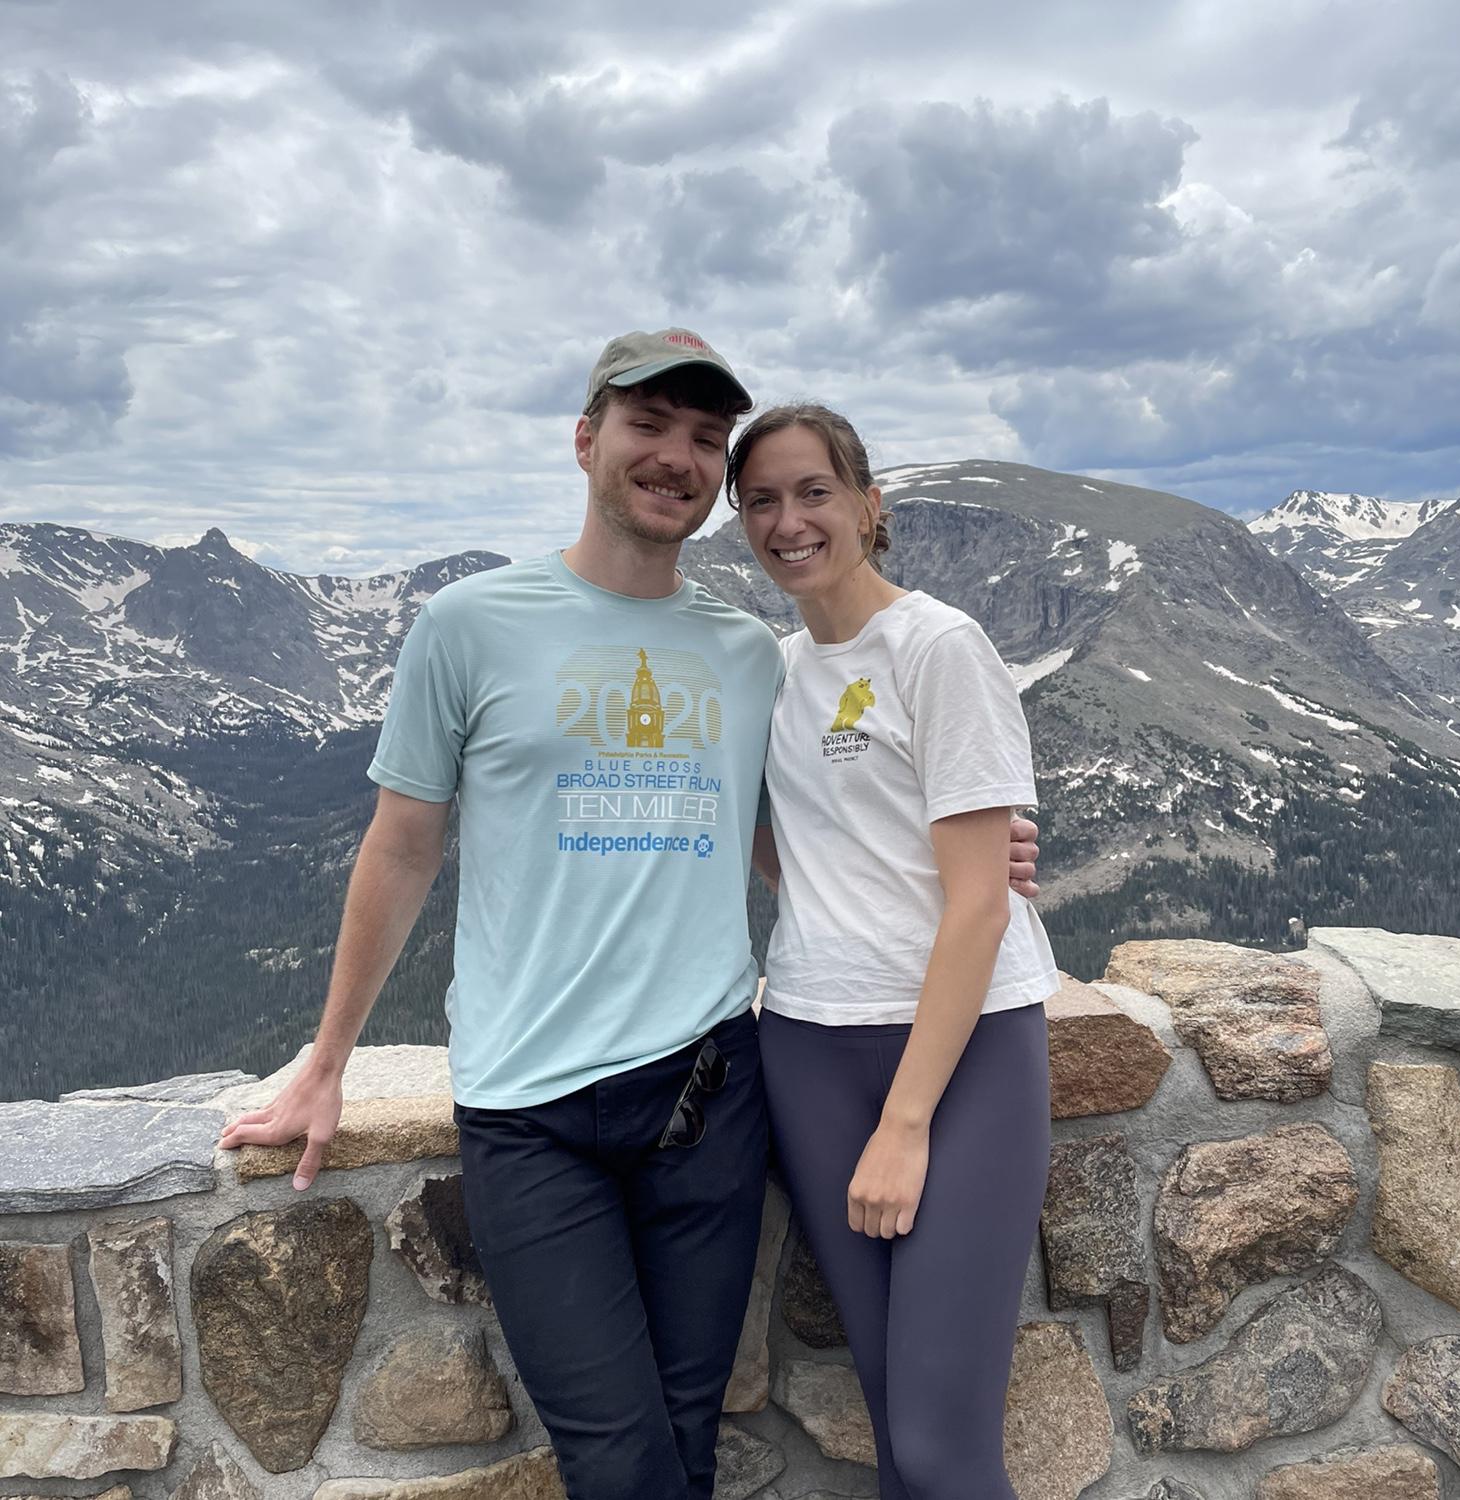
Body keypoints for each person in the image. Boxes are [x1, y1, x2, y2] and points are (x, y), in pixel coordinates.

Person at [218, 332, 1043, 1500]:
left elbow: (794, 815)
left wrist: (961, 853)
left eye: (707, 440)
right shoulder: (469, 624)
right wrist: (327, 1059)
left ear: (861, 504)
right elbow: (401, 849)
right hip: (529, 1102)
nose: (680, 457)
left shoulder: (746, 652)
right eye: (650, 426)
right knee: (620, 1455)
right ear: (586, 440)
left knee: (702, 1433)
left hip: (705, 1091)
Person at [728, 403, 1059, 1500]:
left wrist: (908, 1122)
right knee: (891, 1416)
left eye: (813, 492)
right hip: (813, 1044)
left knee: (939, 1442)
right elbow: (785, 845)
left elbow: (978, 910)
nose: (788, 521)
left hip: (960, 1058)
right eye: (762, 500)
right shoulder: (770, 671)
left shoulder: (940, 646)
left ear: (871, 506)